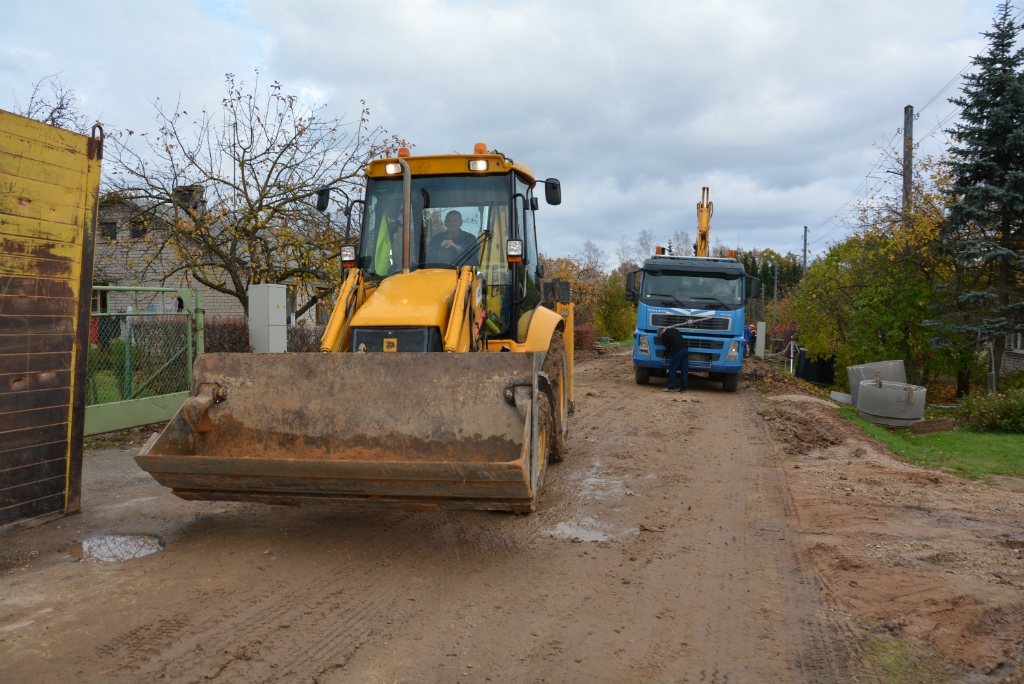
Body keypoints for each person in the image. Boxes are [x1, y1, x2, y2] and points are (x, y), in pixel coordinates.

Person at [658, 326, 689, 392]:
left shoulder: (664, 335)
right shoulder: (674, 330)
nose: (660, 337)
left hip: (677, 350)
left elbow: (667, 347)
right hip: (685, 349)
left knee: (673, 369)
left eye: (659, 336)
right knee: (684, 370)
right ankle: (683, 388)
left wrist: (671, 352)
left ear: (661, 333)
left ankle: (671, 387)